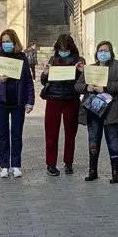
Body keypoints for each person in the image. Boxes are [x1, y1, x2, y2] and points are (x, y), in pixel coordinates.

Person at [75, 41, 118, 184]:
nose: (102, 53)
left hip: (112, 112)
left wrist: (105, 88)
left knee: (112, 141)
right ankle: (92, 171)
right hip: (93, 111)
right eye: (100, 50)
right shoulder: (91, 68)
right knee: (93, 141)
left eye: (105, 50)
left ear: (111, 52)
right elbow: (77, 85)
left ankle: (115, 171)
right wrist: (86, 87)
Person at [0, 29, 35, 179]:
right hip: (1, 101)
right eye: (4, 41)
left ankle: (16, 165)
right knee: (3, 135)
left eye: (9, 41)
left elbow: (28, 81)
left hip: (18, 102)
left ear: (15, 42)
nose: (6, 44)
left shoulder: (22, 58)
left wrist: (30, 101)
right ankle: (4, 166)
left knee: (16, 134)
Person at [40, 34, 84, 176]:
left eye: (66, 48)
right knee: (51, 134)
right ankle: (51, 164)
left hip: (71, 99)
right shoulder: (53, 60)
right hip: (53, 99)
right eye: (60, 48)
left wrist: (81, 71)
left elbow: (85, 81)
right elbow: (43, 81)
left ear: (71, 48)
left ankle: (68, 162)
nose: (63, 51)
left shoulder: (78, 61)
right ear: (57, 48)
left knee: (71, 133)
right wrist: (45, 73)